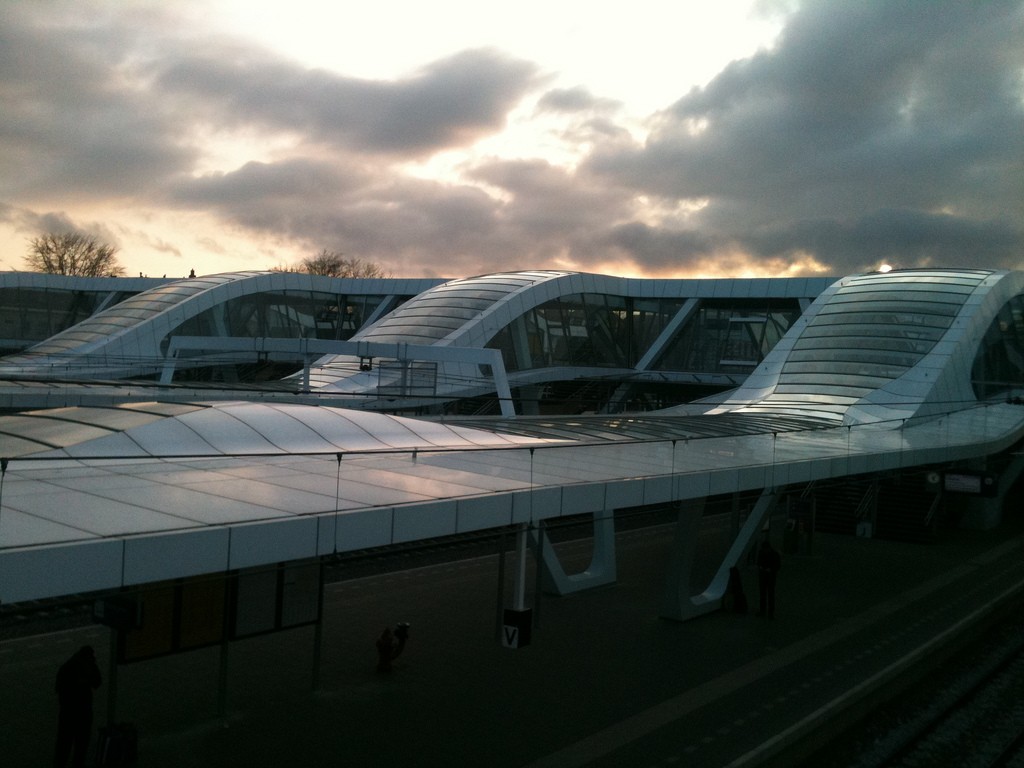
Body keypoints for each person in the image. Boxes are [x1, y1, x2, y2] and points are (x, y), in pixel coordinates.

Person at [53, 645, 101, 768]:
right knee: (79, 743)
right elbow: (97, 682)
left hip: (70, 713)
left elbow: (59, 690)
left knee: (66, 743)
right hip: (79, 712)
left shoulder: (68, 668)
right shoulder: (74, 668)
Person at [756, 539, 782, 619]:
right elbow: (777, 566)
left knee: (766, 594)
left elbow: (777, 566)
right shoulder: (774, 554)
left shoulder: (763, 553)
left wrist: (763, 568)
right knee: (768, 594)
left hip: (766, 575)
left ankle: (765, 611)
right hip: (769, 575)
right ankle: (768, 612)